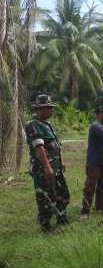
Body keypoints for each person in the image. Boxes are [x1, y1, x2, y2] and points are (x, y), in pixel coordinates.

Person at [25, 94, 70, 232]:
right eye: (48, 108)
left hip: (55, 167)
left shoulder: (48, 124)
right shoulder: (33, 125)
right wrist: (47, 167)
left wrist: (60, 162)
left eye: (51, 107)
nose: (51, 110)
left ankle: (62, 218)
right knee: (45, 197)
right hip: (43, 168)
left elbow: (56, 145)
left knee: (63, 194)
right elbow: (39, 148)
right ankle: (45, 225)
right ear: (39, 109)